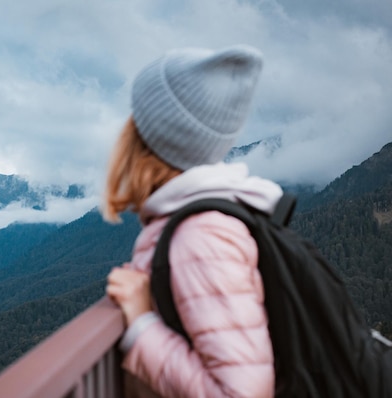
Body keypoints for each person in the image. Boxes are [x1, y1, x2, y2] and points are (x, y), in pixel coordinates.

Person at [104, 45, 282, 397]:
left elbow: (242, 393)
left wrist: (142, 326)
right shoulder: (200, 224)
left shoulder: (200, 237)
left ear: (150, 136)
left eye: (135, 116)